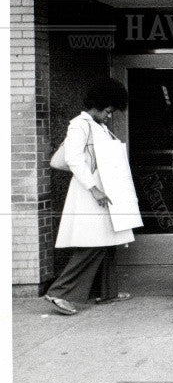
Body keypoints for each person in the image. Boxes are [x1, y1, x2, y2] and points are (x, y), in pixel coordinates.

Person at [44, 78, 134, 315]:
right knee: (93, 244)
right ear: (98, 104)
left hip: (102, 192)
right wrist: (94, 188)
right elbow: (73, 158)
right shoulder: (79, 124)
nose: (109, 115)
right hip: (90, 193)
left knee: (108, 240)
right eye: (107, 110)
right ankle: (59, 292)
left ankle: (107, 292)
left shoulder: (99, 126)